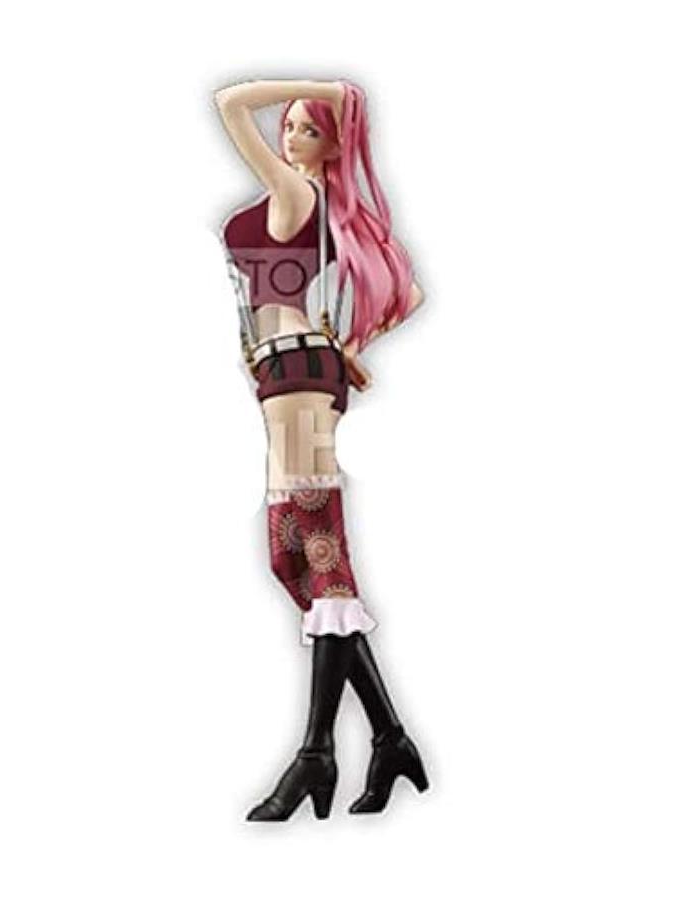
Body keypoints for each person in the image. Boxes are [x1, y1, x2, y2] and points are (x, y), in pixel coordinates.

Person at [215, 78, 428, 821]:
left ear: (333, 146)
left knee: (319, 553)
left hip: (299, 379)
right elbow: (410, 297)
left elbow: (230, 103)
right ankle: (391, 739)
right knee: (291, 556)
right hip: (291, 375)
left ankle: (315, 754)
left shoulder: (296, 193)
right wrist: (351, 346)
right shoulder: (318, 208)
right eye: (291, 126)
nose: (289, 136)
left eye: (309, 129)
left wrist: (328, 91)